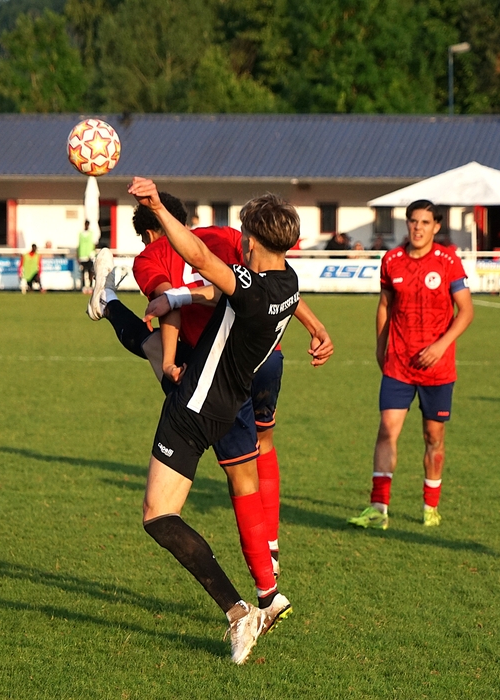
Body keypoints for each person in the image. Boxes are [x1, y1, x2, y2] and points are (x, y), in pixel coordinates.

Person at [89, 191, 332, 582]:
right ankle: (269, 552)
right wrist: (316, 326)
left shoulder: (150, 257)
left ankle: (108, 301)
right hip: (266, 359)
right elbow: (269, 282)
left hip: (211, 373)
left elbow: (172, 305)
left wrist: (168, 360)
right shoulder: (235, 243)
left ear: (148, 233)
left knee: (151, 345)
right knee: (261, 448)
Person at [125, 176, 301, 664]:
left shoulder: (251, 289)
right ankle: (266, 594)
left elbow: (201, 259)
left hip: (194, 407)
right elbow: (212, 286)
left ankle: (239, 611)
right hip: (227, 408)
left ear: (253, 241)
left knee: (159, 516)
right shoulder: (287, 285)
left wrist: (158, 208)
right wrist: (181, 299)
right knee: (240, 483)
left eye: (244, 233)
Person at [348, 199, 474, 530]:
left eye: (425, 222)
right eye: (413, 221)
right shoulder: (391, 260)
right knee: (387, 430)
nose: (418, 228)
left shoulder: (448, 261)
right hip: (399, 364)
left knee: (433, 437)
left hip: (438, 367)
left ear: (436, 227)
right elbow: (384, 306)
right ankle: (378, 508)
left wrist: (441, 345)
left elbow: (466, 311)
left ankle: (430, 506)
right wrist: (380, 348)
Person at [78, 225, 96, 293]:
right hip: (82, 256)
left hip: (89, 256)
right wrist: (78, 255)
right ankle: (83, 287)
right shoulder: (81, 234)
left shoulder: (91, 234)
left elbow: (93, 244)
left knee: (90, 272)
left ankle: (90, 286)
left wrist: (92, 254)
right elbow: (79, 245)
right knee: (83, 272)